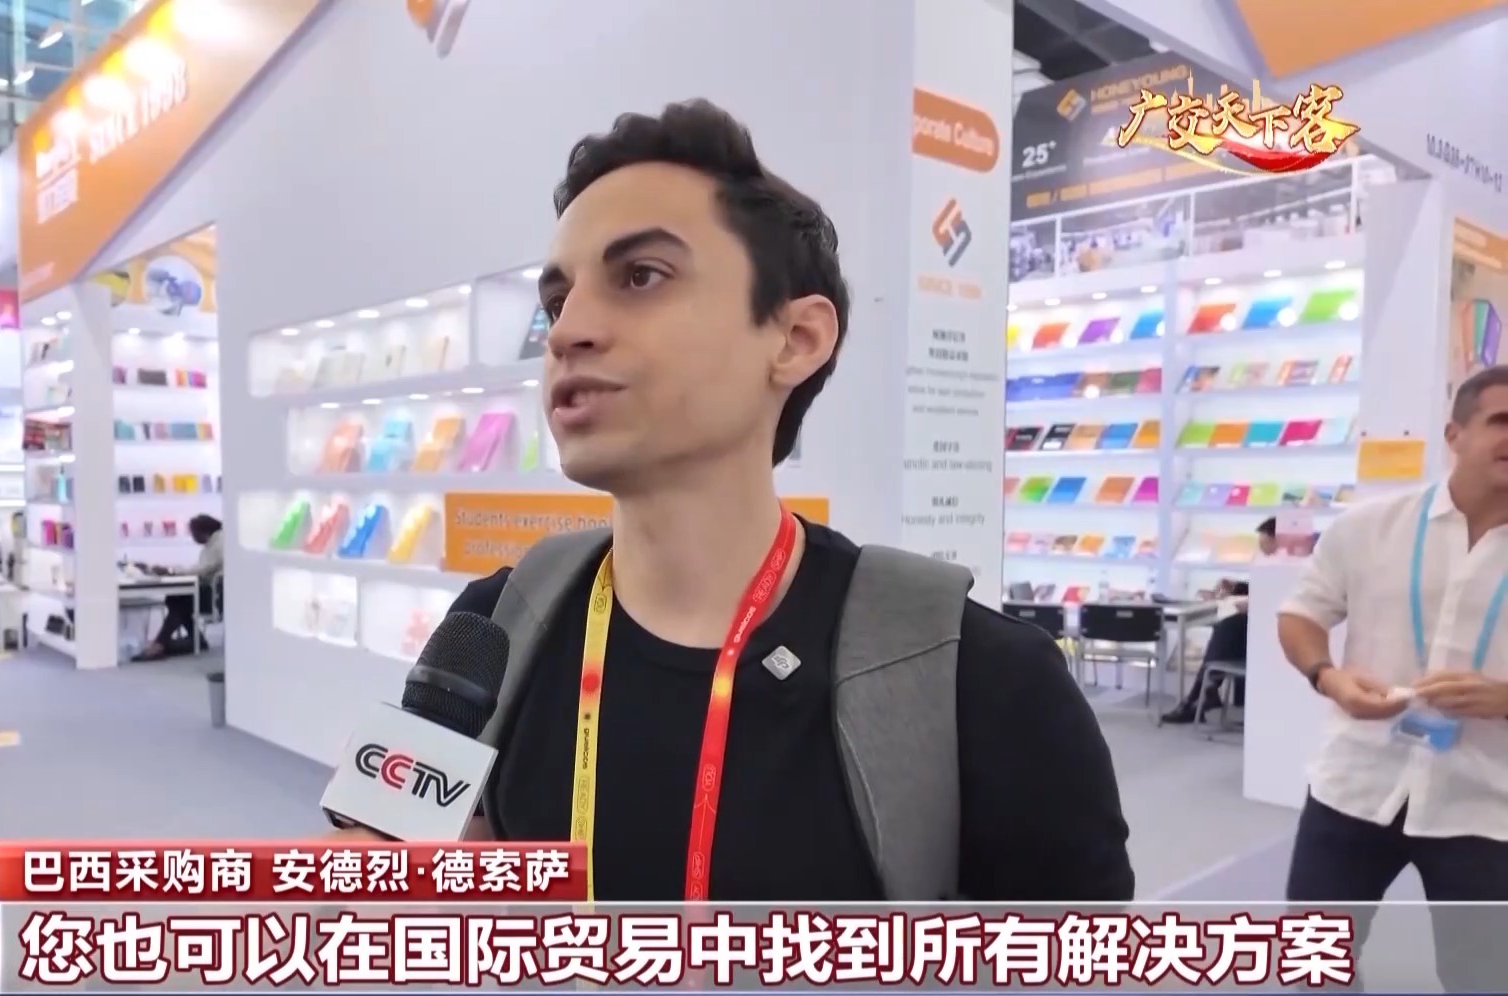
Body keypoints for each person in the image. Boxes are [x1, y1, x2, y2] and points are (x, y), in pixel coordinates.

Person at [326, 100, 1134, 901]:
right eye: (557, 302)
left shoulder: (984, 686)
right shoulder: (495, 627)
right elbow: (388, 865)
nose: (567, 332)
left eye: (641, 276)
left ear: (795, 340)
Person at [1276, 365, 1508, 992]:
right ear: (1454, 434)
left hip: (1486, 805)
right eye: (1501, 421)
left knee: (1482, 979)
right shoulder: (1370, 527)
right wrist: (1328, 677)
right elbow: (1301, 615)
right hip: (1355, 782)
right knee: (1314, 967)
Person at [1161, 517, 1277, 723]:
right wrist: (1237, 587)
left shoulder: (1291, 567)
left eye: (1265, 543)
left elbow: (1278, 596)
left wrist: (1254, 605)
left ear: (1276, 540)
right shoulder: (1276, 565)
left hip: (1272, 634)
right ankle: (1205, 692)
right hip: (1260, 629)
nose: (1262, 549)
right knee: (1227, 627)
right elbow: (1267, 588)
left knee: (1228, 627)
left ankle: (1201, 695)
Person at [130, 515, 225, 662]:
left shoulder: (219, 543)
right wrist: (170, 570)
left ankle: (160, 644)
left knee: (181, 601)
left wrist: (171, 571)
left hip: (216, 596)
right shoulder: (213, 543)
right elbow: (200, 569)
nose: (193, 537)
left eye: (193, 533)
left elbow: (203, 569)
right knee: (175, 599)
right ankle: (193, 639)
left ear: (203, 531)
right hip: (212, 591)